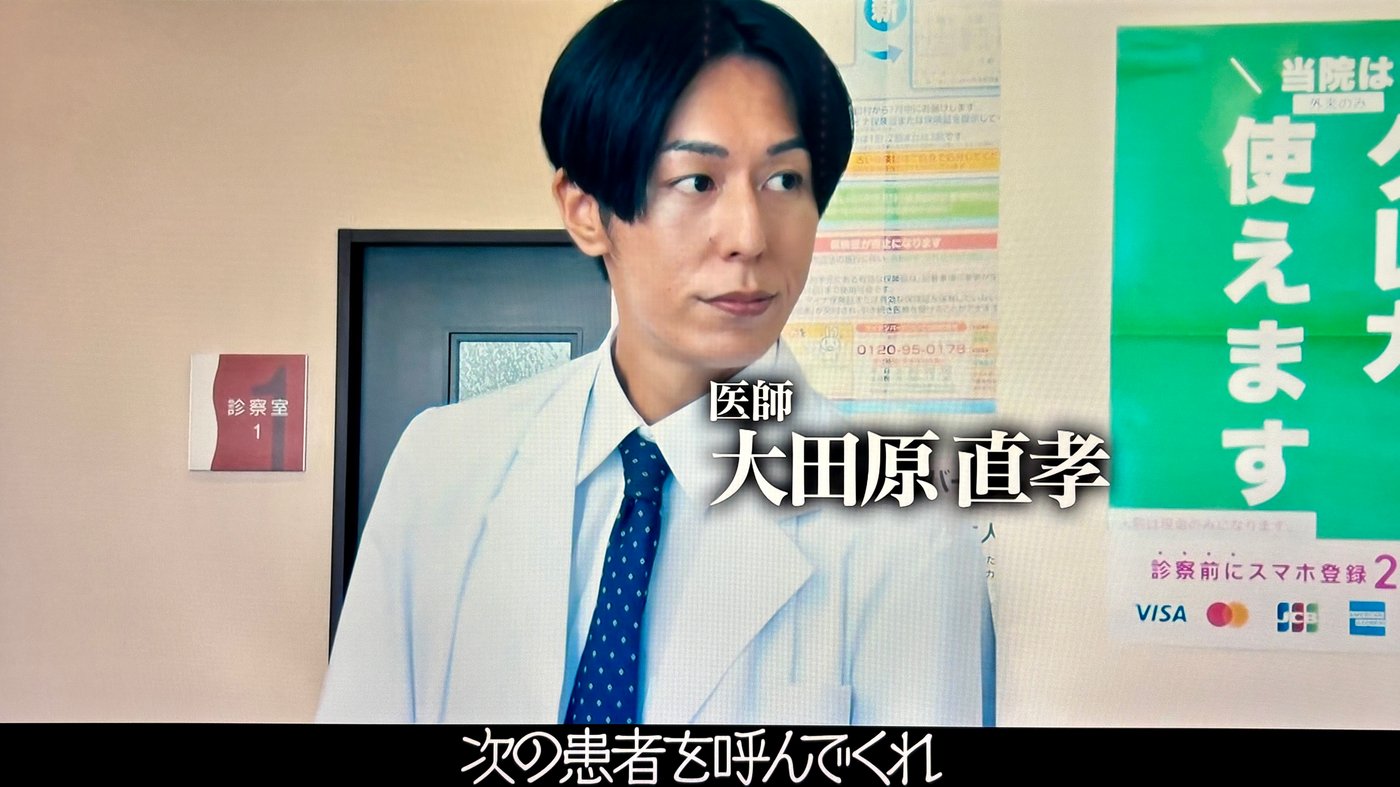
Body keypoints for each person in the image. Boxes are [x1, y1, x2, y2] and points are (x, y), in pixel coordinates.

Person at [317, 0, 985, 725]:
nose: (749, 236)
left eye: (784, 181)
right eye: (697, 181)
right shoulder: (442, 466)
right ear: (586, 211)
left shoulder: (907, 526)